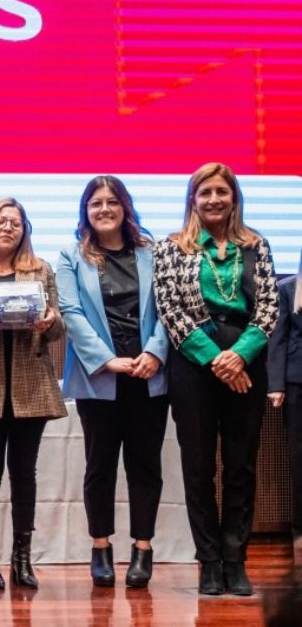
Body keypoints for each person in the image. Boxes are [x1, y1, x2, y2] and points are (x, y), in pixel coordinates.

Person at [153, 162, 278, 597]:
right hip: (193, 367)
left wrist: (239, 356)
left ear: (234, 197)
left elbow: (269, 307)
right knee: (198, 467)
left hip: (247, 364)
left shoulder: (256, 245)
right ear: (193, 199)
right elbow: (170, 310)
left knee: (241, 466)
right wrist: (217, 361)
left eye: (221, 192)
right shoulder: (171, 248)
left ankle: (235, 560)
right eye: (205, 192)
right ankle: (208, 562)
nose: (213, 200)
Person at [57, 176, 169, 588]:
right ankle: (100, 547)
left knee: (145, 466)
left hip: (148, 375)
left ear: (125, 207)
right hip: (100, 379)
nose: (104, 209)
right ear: (85, 211)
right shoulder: (71, 255)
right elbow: (70, 313)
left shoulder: (153, 252)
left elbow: (168, 308)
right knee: (99, 467)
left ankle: (143, 548)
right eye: (95, 203)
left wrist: (155, 352)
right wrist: (107, 361)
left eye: (112, 201)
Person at [0, 197, 65, 590]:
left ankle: (22, 560)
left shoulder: (41, 270)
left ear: (25, 231)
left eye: (15, 223)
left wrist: (49, 321)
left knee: (25, 473)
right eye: (0, 221)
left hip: (31, 386)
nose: (8, 228)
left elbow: (57, 330)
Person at [268, 255, 301, 566]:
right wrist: (276, 384)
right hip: (296, 383)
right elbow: (278, 340)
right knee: (298, 457)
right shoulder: (288, 288)